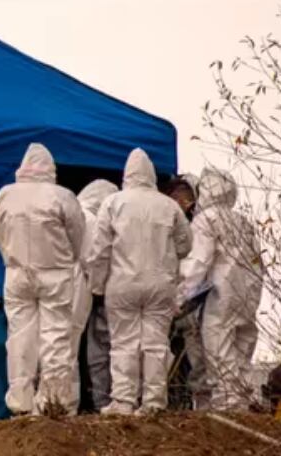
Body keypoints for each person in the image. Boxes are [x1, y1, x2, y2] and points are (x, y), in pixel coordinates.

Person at [87, 148, 192, 416]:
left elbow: (100, 250)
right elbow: (185, 245)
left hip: (122, 283)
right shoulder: (168, 205)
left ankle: (123, 400)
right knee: (156, 343)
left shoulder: (113, 203)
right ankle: (154, 401)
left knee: (123, 342)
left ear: (127, 175)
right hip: (160, 284)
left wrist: (97, 285)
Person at [0, 144, 86, 415]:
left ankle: (20, 403)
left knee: (20, 337)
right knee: (55, 336)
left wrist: (12, 259)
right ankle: (51, 403)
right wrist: (68, 260)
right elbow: (78, 236)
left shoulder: (4, 195)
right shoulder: (62, 196)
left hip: (17, 273)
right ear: (51, 168)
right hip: (55, 272)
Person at [178, 168, 263, 410]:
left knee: (219, 350)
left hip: (221, 297)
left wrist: (179, 297)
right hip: (247, 297)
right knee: (242, 352)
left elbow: (198, 264)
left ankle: (227, 407)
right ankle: (242, 403)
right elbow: (258, 263)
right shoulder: (243, 222)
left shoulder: (206, 220)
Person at [164, 174, 210, 410]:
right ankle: (176, 402)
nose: (182, 202)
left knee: (196, 359)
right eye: (176, 197)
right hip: (171, 303)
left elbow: (197, 267)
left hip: (192, 306)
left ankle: (194, 404)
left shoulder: (201, 226)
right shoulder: (165, 223)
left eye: (186, 197)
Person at [77, 179, 119, 412]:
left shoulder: (70, 209)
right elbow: (94, 259)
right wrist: (99, 289)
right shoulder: (92, 221)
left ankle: (97, 401)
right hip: (91, 290)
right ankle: (105, 401)